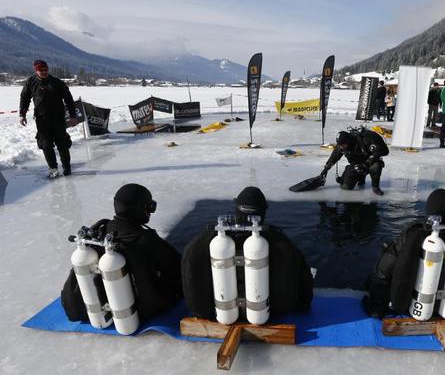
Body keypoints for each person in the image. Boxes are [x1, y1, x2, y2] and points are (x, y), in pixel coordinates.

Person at [181, 187, 313, 320]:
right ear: (263, 211)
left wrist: (196, 308)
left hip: (215, 313)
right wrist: (303, 304)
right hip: (272, 313)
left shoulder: (205, 241)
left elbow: (187, 268)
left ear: (236, 207)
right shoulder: (279, 242)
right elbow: (304, 275)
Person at [61, 184, 183, 322]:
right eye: (149, 207)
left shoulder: (99, 231)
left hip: (89, 311)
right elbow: (178, 269)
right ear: (139, 209)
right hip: (136, 313)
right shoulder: (146, 239)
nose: (150, 212)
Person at [362, 188, 445, 318]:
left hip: (414, 304)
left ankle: (376, 308)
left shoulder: (415, 233)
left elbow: (384, 268)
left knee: (377, 280)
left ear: (428, 209)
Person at [19, 60, 79, 178]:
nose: (44, 72)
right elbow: (24, 98)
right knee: (46, 145)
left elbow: (69, 99)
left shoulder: (57, 82)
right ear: (36, 70)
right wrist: (22, 114)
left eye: (46, 70)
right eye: (41, 70)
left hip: (58, 119)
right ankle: (53, 169)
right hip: (42, 120)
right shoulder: (30, 82)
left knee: (62, 144)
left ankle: (66, 166)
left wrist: (73, 116)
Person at [321, 127, 389, 195]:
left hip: (371, 162)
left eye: (342, 145)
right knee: (346, 187)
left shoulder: (365, 139)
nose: (341, 147)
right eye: (340, 145)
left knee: (375, 166)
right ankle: (360, 176)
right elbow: (334, 158)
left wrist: (367, 163)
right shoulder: (341, 145)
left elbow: (384, 151)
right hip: (356, 165)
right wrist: (325, 169)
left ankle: (375, 187)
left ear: (348, 141)